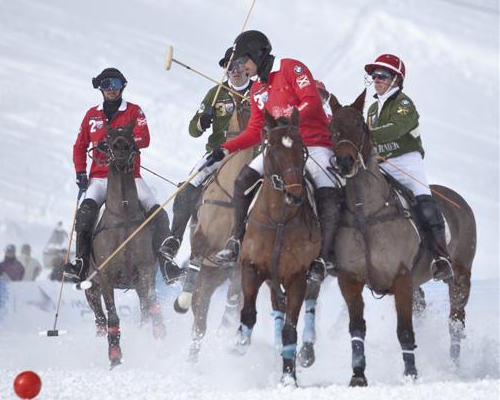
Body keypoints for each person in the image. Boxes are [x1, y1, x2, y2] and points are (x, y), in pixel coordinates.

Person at [200, 30, 340, 281]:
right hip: (278, 148)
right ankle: (236, 241)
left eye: (243, 61)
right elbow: (255, 130)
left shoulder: (290, 68)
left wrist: (289, 118)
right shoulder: (257, 91)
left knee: (327, 190)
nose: (241, 67)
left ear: (257, 53)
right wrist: (225, 148)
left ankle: (325, 257)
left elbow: (311, 100)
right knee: (243, 180)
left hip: (313, 142)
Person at [63, 67, 169, 282]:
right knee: (85, 213)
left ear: (123, 87)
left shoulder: (134, 111)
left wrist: (118, 143)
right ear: (100, 89)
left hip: (131, 177)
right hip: (101, 178)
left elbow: (144, 138)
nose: (111, 89)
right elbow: (80, 145)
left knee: (158, 213)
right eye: (106, 85)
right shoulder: (92, 114)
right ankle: (82, 262)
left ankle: (167, 264)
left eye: (116, 84)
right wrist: (80, 172)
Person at [158, 48, 253, 276]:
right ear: (225, 70)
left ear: (248, 69)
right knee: (187, 188)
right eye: (229, 67)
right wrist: (202, 121)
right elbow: (193, 130)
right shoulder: (215, 93)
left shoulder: (258, 93)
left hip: (251, 153)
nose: (235, 70)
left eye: (239, 65)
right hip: (218, 154)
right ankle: (174, 239)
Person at [364, 53, 453, 282]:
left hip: (406, 161)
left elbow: (395, 129)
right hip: (381, 163)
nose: (377, 79)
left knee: (424, 203)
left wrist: (363, 135)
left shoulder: (404, 103)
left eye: (383, 75)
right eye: (375, 76)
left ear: (396, 79)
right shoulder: (373, 109)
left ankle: (441, 259)